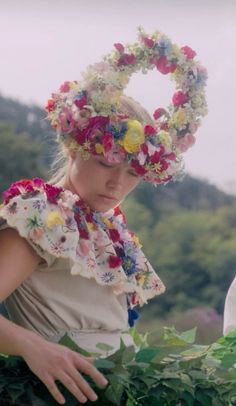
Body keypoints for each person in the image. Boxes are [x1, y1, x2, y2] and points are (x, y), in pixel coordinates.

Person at [0, 28, 207, 404]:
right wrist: (32, 347)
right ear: (74, 147)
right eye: (106, 163)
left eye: (133, 173)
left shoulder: (104, 226)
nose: (117, 184)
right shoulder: (41, 214)